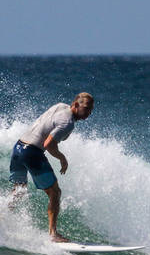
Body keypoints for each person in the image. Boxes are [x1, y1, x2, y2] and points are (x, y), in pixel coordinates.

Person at [9, 92, 94, 242]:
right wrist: (62, 158)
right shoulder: (68, 123)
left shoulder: (60, 106)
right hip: (32, 152)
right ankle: (53, 234)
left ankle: (3, 216)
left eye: (90, 110)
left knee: (19, 189)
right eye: (86, 108)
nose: (88, 113)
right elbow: (48, 144)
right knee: (55, 192)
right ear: (75, 105)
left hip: (18, 148)